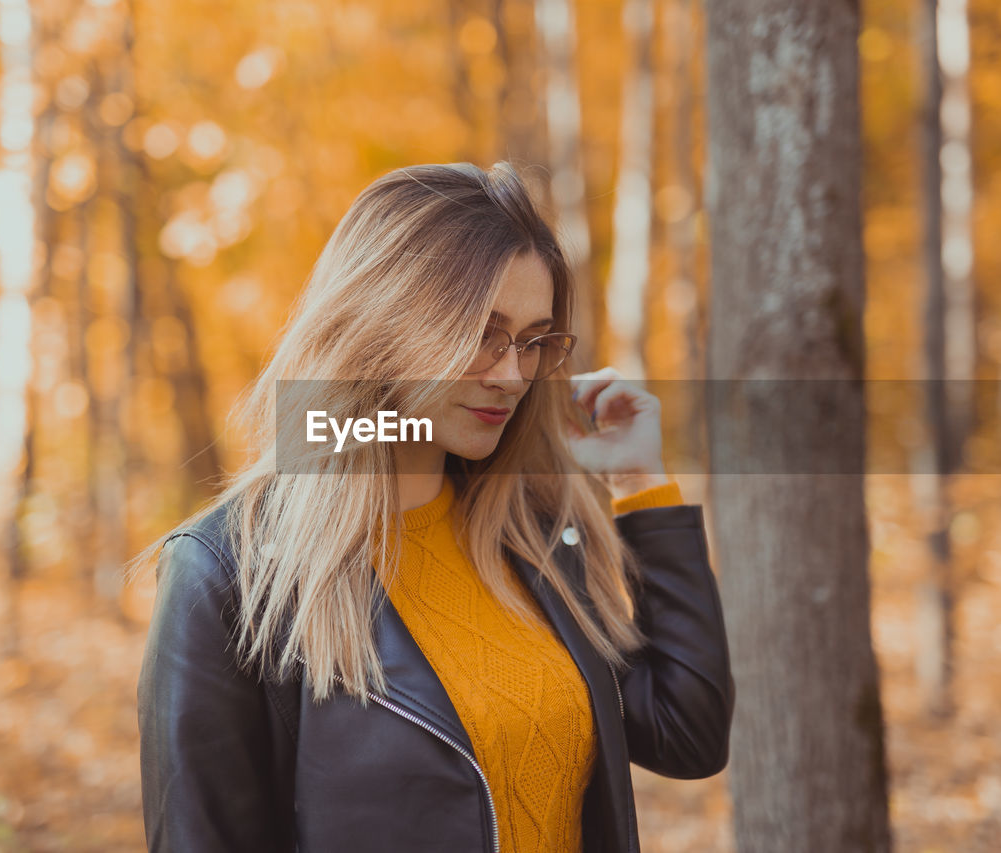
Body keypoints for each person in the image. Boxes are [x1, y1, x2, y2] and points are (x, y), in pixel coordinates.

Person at [132, 161, 735, 853]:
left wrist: (642, 484)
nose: (512, 373)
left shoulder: (532, 535)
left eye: (534, 340)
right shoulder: (226, 574)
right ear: (382, 323)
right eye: (482, 330)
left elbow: (689, 731)